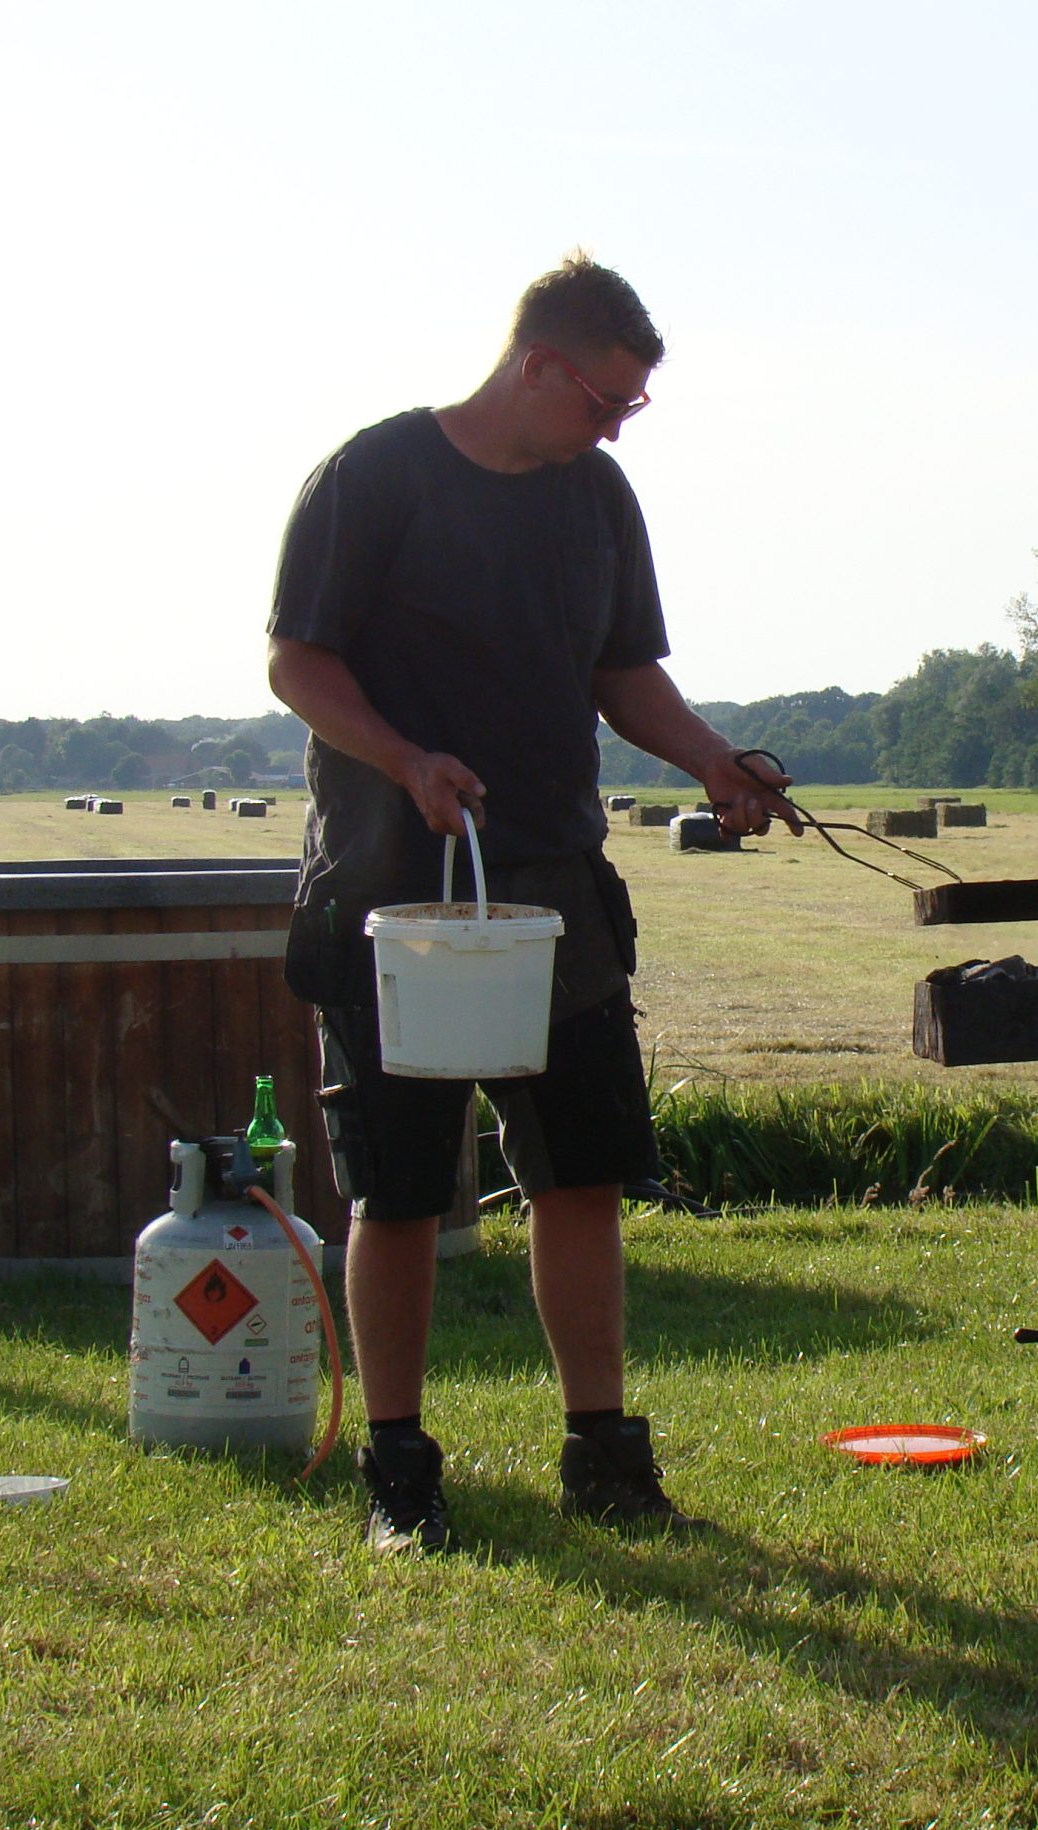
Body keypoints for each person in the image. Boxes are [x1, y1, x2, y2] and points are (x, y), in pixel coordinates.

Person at [266, 252, 798, 1553]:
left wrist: (713, 762)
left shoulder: (598, 499)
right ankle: (400, 1472)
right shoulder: (374, 477)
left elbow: (624, 673)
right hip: (396, 900)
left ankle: (603, 1457)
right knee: (399, 1192)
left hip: (557, 888)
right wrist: (407, 761)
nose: (617, 428)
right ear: (537, 364)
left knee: (583, 1176)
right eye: (607, 401)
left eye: (633, 407)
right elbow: (297, 662)